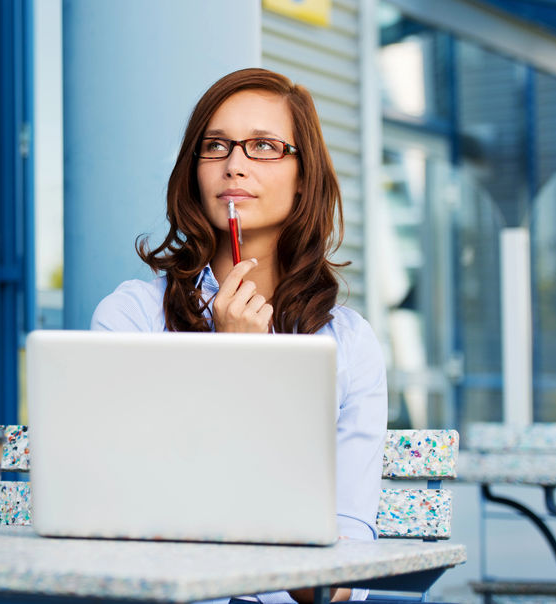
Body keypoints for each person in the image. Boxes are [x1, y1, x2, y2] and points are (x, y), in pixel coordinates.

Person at [90, 68, 387, 603]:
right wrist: (227, 369)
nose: (234, 164)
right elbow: (126, 513)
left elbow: (334, 585)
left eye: (264, 146)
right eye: (217, 145)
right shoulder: (130, 318)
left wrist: (252, 376)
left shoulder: (348, 346)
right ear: (194, 171)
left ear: (304, 177)